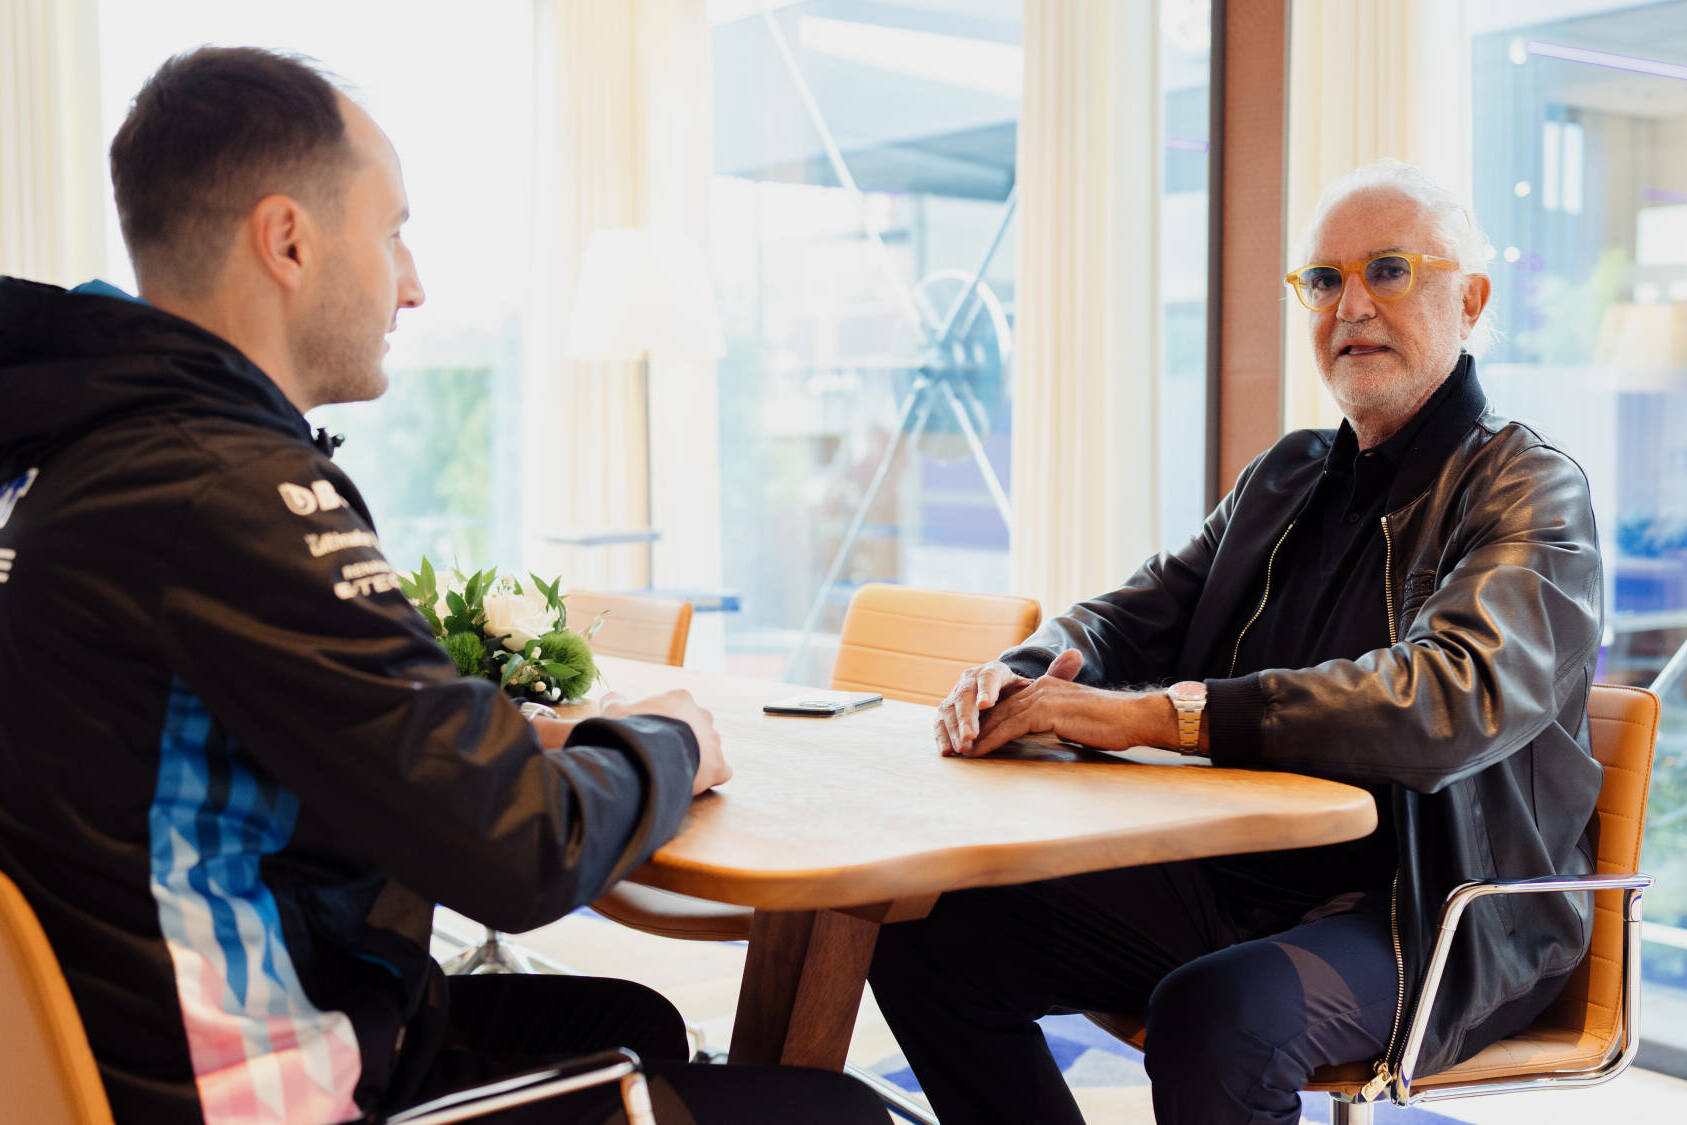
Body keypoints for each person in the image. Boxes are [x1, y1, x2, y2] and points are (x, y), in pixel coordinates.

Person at [0, 47, 885, 1125]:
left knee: (630, 1025)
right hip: (258, 1095)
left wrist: (482, 737)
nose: (412, 283)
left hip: (126, 1048)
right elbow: (520, 850)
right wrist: (672, 741)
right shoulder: (229, 490)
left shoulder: (83, 459)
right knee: (837, 1111)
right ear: (287, 241)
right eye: (392, 233)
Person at [867, 160, 1604, 1125]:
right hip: (1240, 875)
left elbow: (1448, 698)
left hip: (1438, 914)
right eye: (1323, 280)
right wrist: (1018, 674)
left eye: (1387, 270)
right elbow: (1130, 614)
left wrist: (1167, 716)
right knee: (927, 934)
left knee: (1218, 1019)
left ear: (1469, 300)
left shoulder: (1528, 488)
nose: (1350, 306)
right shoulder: (1285, 474)